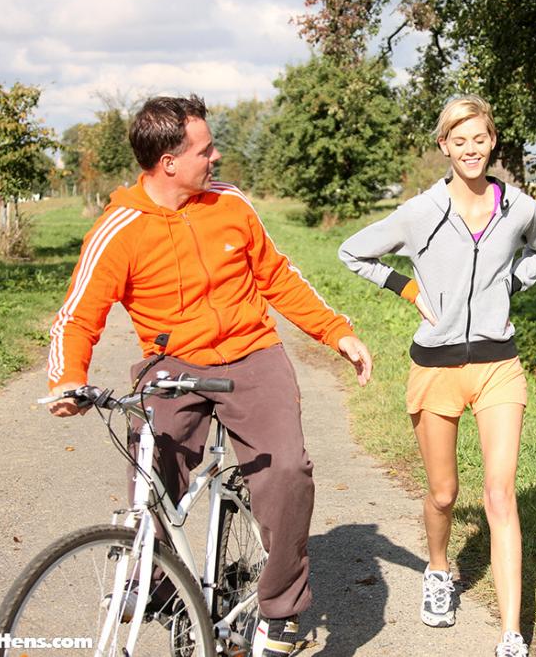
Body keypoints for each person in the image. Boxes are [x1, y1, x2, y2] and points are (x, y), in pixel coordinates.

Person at [46, 94, 372, 657]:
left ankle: (280, 610)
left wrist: (335, 331)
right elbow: (77, 315)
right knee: (151, 466)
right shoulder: (120, 227)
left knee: (287, 472)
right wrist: (67, 379)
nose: (215, 157)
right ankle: (155, 582)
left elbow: (278, 276)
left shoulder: (230, 203)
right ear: (168, 161)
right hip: (173, 363)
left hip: (252, 354)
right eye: (205, 150)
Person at [338, 94, 536, 657]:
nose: (471, 149)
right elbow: (353, 252)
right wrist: (407, 288)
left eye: (479, 138)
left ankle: (511, 634)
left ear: (493, 141)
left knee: (500, 495)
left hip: (498, 365)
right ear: (444, 146)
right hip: (435, 367)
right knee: (443, 493)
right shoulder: (420, 212)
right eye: (459, 141)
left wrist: (509, 286)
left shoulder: (519, 208)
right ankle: (438, 570)